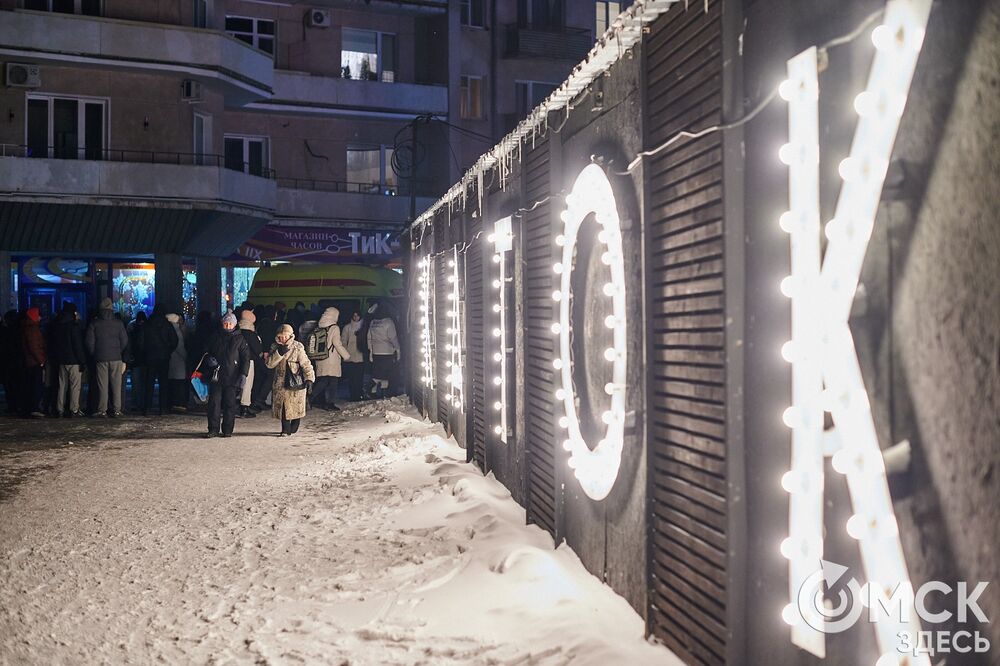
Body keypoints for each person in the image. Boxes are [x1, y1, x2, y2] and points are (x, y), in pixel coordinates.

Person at [204, 312, 250, 438]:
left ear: (234, 325)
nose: (228, 326)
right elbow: (206, 351)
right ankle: (213, 429)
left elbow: (246, 358)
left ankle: (227, 429)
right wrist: (209, 359)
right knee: (214, 404)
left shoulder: (240, 339)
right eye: (226, 323)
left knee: (230, 404)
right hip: (216, 376)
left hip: (232, 376)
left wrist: (243, 374)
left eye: (230, 324)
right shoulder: (215, 336)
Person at [265, 323, 314, 436]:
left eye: (285, 336)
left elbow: (306, 364)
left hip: (296, 381)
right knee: (284, 408)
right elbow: (269, 364)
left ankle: (294, 426)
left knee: (295, 407)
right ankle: (285, 430)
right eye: (281, 336)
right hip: (280, 383)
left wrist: (309, 379)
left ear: (290, 336)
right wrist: (279, 353)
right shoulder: (275, 347)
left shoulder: (297, 347)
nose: (283, 339)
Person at [85, 298, 129, 418]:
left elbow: (89, 342)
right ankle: (117, 410)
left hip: (100, 358)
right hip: (116, 357)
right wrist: (118, 351)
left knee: (102, 385)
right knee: (116, 384)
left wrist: (95, 353)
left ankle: (102, 410)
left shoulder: (94, 323)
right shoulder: (118, 323)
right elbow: (125, 340)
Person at [308, 306, 350, 411]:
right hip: (331, 359)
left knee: (324, 380)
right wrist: (346, 355)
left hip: (320, 358)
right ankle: (329, 403)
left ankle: (310, 397)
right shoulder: (334, 327)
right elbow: (337, 343)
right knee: (333, 382)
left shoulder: (319, 326)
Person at [140, 304, 178, 416]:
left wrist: (145, 352)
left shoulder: (147, 324)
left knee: (149, 383)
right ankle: (163, 408)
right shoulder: (167, 325)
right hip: (164, 357)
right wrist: (168, 350)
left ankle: (147, 408)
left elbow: (141, 342)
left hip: (150, 357)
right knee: (164, 383)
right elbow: (174, 340)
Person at [50, 302, 86, 417]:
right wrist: (82, 360)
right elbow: (77, 345)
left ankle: (59, 408)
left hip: (61, 360)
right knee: (75, 386)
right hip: (74, 360)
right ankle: (74, 409)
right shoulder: (73, 326)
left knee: (62, 386)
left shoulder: (57, 325)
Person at [366, 303, 399, 399]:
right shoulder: (389, 322)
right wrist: (398, 349)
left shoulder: (373, 322)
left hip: (376, 352)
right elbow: (393, 338)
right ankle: (382, 392)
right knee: (387, 375)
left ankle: (378, 392)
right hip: (387, 352)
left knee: (378, 372)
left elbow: (369, 338)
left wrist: (371, 351)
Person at [19, 307, 46, 418]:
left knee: (30, 385)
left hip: (30, 361)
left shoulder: (27, 327)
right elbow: (34, 347)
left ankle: (30, 407)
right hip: (34, 362)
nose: (40, 317)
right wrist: (41, 360)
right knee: (36, 385)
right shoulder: (33, 329)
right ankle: (34, 408)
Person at [237, 309, 262, 418]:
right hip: (249, 361)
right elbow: (257, 349)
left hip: (234, 361)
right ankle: (244, 408)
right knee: (247, 385)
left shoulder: (236, 331)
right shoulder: (250, 333)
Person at [165, 313, 189, 412]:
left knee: (171, 383)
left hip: (170, 360)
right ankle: (179, 403)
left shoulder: (166, 330)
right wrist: (186, 358)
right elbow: (180, 347)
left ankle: (170, 403)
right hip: (178, 361)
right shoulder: (177, 331)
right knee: (179, 384)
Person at [341, 311, 365, 401]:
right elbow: (343, 341)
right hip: (350, 357)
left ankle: (358, 394)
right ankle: (354, 395)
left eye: (357, 315)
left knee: (359, 378)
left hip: (360, 356)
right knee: (352, 378)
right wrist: (345, 354)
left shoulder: (363, 327)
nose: (355, 317)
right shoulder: (347, 327)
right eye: (354, 315)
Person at [127, 311, 147, 412]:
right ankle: (144, 403)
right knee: (144, 383)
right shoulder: (148, 327)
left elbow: (129, 344)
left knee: (135, 383)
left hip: (135, 359)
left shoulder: (132, 327)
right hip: (146, 359)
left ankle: (135, 403)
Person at [0, 310, 19, 415]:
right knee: (12, 385)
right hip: (12, 361)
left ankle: (12, 406)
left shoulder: (6, 330)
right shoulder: (13, 330)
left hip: (7, 362)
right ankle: (14, 406)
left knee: (9, 386)